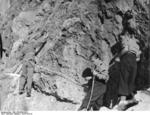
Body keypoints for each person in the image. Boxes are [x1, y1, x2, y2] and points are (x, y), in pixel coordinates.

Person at [114, 32, 141, 110]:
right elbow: (138, 59)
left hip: (127, 58)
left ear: (127, 36)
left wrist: (118, 57)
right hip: (134, 62)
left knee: (123, 78)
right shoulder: (137, 45)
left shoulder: (126, 39)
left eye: (121, 38)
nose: (121, 39)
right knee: (131, 80)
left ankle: (122, 101)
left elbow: (125, 49)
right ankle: (133, 97)